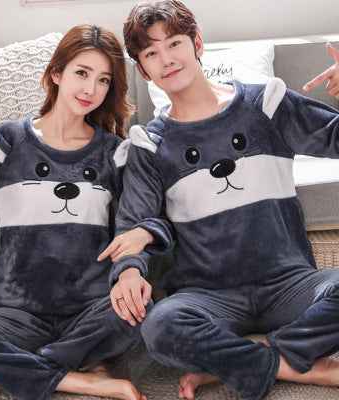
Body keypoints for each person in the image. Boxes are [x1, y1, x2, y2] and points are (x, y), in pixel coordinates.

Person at [100, 1, 339, 399]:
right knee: (160, 327)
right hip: (208, 297)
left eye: (174, 44)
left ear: (197, 43)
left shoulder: (267, 105)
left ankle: (249, 360)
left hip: (290, 283)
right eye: (151, 53)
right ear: (142, 69)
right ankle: (294, 364)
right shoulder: (149, 144)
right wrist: (128, 272)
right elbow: (133, 222)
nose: (166, 59)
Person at [0, 24, 156, 400]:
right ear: (56, 73)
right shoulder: (6, 142)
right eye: (81, 73)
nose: (90, 89)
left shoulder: (114, 153)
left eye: (103, 80)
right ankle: (81, 377)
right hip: (18, 316)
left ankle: (14, 372)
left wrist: (130, 274)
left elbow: (132, 226)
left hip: (91, 310)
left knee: (142, 308)